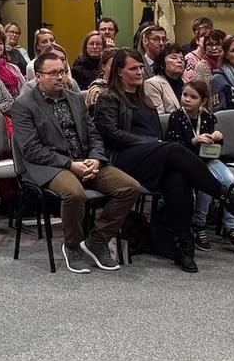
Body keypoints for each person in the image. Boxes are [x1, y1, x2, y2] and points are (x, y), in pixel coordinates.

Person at [91, 50, 234, 272]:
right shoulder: (108, 98)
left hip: (152, 157)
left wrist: (153, 144)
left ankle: (184, 248)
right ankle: (228, 199)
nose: (140, 71)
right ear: (120, 72)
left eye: (141, 67)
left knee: (178, 178)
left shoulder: (145, 99)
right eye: (134, 68)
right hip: (123, 158)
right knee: (174, 149)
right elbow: (110, 134)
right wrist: (148, 142)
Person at [10, 53, 142, 274]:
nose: (60, 77)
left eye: (62, 71)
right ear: (38, 76)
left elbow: (94, 134)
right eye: (53, 73)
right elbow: (31, 150)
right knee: (74, 193)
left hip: (84, 161)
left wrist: (96, 158)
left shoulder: (75, 98)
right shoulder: (23, 105)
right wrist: (70, 164)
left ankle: (97, 241)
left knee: (130, 187)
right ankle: (72, 246)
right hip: (49, 166)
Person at [171, 79, 234, 253]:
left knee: (230, 181)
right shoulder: (176, 117)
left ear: (203, 101)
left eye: (193, 97)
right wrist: (194, 140)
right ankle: (199, 226)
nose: (186, 99)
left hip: (208, 159)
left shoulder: (207, 117)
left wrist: (218, 137)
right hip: (188, 162)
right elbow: (173, 147)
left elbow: (215, 150)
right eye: (185, 95)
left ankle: (229, 227)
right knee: (207, 185)